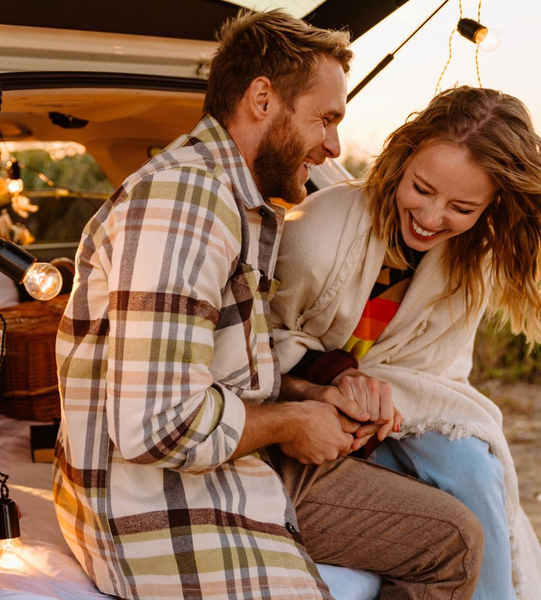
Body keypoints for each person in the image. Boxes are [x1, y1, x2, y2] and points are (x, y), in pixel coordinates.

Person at [53, 10, 484, 599]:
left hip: (219, 465)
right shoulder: (187, 204)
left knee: (455, 534)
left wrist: (313, 395)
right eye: (326, 119)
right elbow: (156, 427)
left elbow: (216, 374)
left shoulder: (233, 201)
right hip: (158, 504)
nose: (333, 144)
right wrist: (291, 423)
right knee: (449, 544)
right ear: (262, 99)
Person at [271, 85, 541, 600]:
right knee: (464, 499)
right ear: (404, 156)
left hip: (397, 422)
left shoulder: (469, 267)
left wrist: (380, 399)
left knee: (474, 465)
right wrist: (338, 378)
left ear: (491, 206)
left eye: (462, 207)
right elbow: (256, 345)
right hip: (303, 409)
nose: (432, 217)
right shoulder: (317, 233)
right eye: (422, 188)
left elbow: (437, 382)